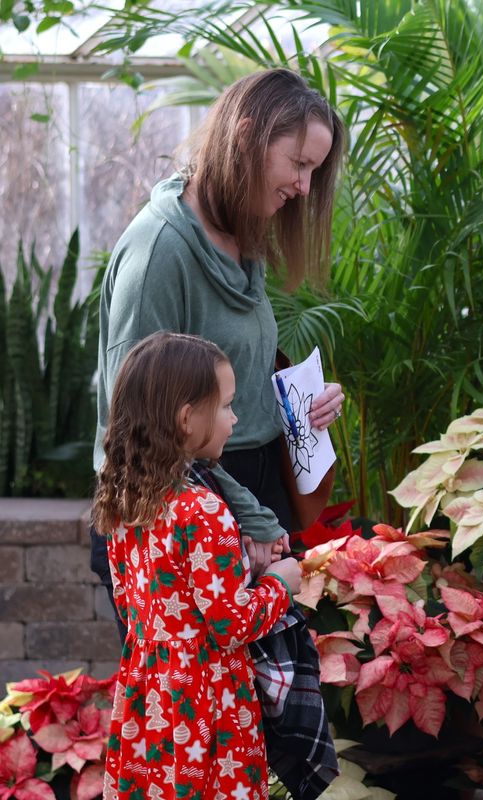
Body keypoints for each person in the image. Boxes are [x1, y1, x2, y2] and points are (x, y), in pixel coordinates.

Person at [90, 68, 348, 625]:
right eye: (299, 164)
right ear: (248, 135)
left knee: (263, 709)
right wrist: (245, 519)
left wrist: (305, 406)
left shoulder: (243, 235)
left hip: (251, 502)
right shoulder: (160, 250)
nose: (305, 187)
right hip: (185, 514)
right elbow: (137, 434)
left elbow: (234, 376)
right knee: (198, 707)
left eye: (315, 171)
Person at [93, 332, 303, 800]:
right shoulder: (203, 510)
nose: (235, 418)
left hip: (149, 696)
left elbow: (133, 606)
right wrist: (279, 583)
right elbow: (231, 623)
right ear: (188, 419)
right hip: (207, 707)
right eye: (227, 406)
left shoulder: (125, 502)